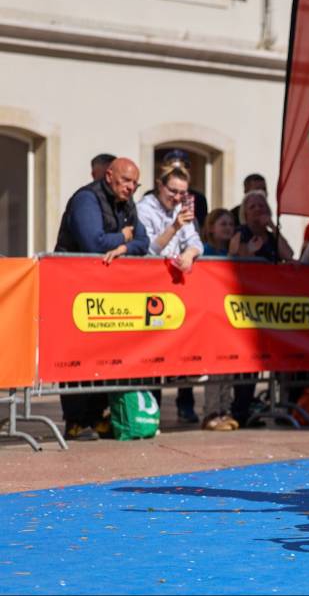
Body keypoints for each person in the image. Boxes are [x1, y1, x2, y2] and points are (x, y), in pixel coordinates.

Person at [55, 158, 150, 440]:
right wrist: (122, 236)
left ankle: (97, 416)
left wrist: (124, 248)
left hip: (104, 289)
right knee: (76, 354)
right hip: (73, 286)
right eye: (126, 181)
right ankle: (76, 420)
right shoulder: (87, 199)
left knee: (103, 351)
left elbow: (143, 242)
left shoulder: (127, 203)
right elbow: (92, 243)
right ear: (109, 176)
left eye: (135, 183)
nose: (131, 188)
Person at [137, 164, 204, 423]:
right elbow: (148, 249)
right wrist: (174, 227)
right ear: (160, 185)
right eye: (172, 191)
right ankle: (150, 409)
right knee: (153, 353)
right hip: (150, 288)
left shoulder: (180, 209)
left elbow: (196, 241)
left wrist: (189, 254)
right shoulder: (144, 209)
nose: (177, 198)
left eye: (182, 193)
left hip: (176, 289)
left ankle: (185, 404)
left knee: (184, 348)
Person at [198, 208, 249, 430]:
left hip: (229, 314)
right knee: (215, 367)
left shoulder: (232, 250)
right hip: (211, 313)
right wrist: (232, 255)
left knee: (228, 364)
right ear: (211, 228)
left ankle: (224, 410)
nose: (229, 228)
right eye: (223, 224)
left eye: (231, 224)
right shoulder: (206, 250)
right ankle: (211, 412)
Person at [229, 190, 294, 262]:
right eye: (252, 207)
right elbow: (240, 258)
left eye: (261, 206)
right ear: (245, 214)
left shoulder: (272, 236)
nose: (258, 209)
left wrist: (272, 226)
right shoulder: (240, 233)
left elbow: (288, 255)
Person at [159, 149, 208, 229]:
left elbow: (201, 226)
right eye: (172, 169)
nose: (177, 173)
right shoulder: (152, 197)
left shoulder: (199, 198)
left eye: (182, 170)